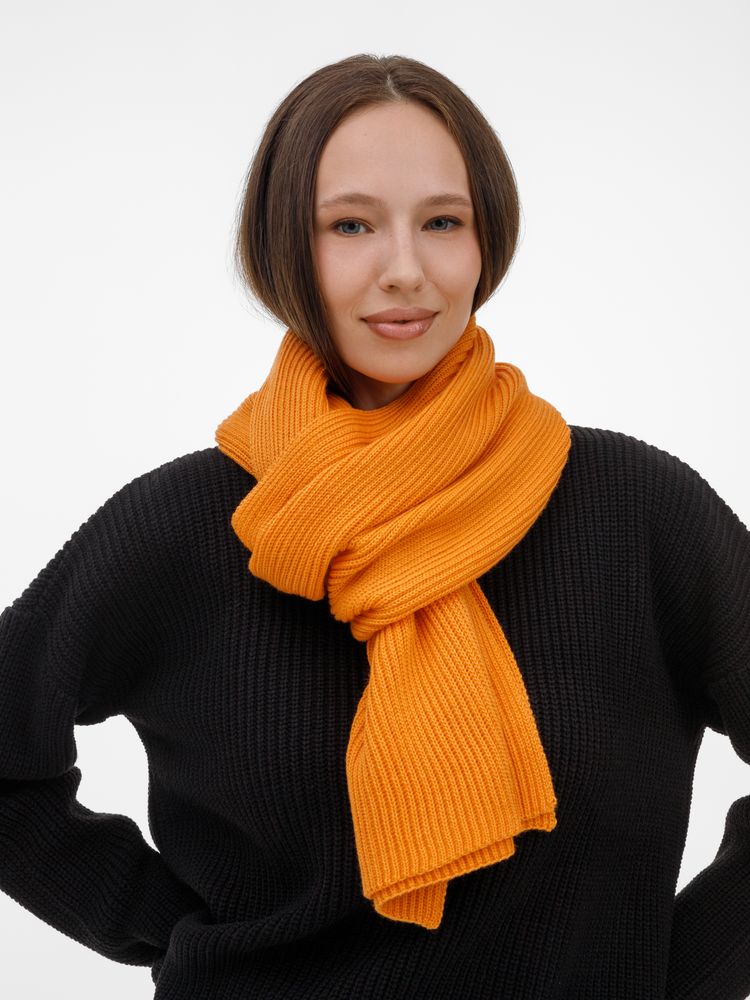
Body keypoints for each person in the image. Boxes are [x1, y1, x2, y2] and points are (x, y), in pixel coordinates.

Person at [1, 52, 749, 1000]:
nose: (405, 270)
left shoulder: (642, 514)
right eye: (350, 225)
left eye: (443, 222)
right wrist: (175, 938)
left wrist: (687, 973)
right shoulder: (182, 527)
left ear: (486, 242)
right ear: (286, 246)